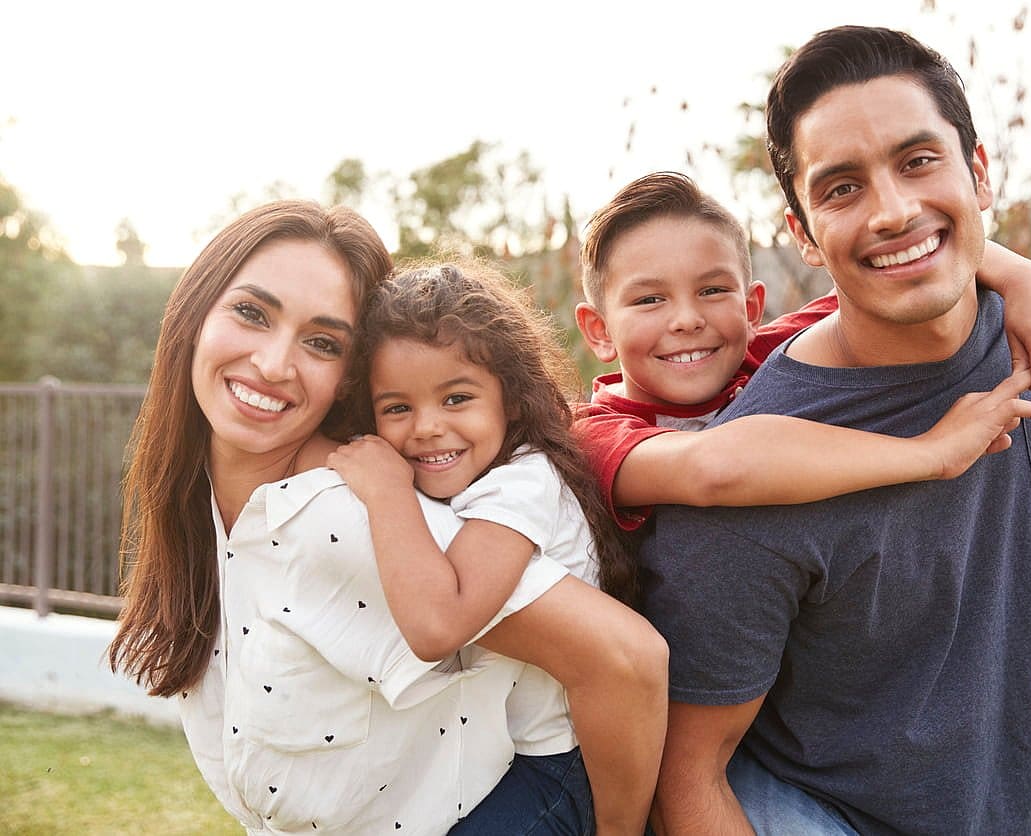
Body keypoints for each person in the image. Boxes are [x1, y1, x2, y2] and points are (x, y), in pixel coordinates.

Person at [636, 27, 1031, 834]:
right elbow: (689, 778)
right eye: (842, 188)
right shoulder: (757, 476)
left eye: (919, 161)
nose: (894, 211)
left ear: (980, 173)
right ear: (803, 234)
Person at [106, 200, 666, 836]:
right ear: (193, 313)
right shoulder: (205, 499)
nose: (273, 364)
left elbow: (625, 660)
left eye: (321, 342)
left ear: (347, 378)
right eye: (251, 313)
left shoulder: (353, 515)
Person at [574, 171, 1031, 532]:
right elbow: (714, 468)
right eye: (649, 299)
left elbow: (900, 271)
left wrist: (1026, 277)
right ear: (598, 332)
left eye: (713, 290)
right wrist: (932, 452)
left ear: (752, 307)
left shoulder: (765, 354)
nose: (687, 319)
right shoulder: (591, 436)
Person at [327, 259, 659, 834]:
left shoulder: (523, 482)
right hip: (501, 756)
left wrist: (386, 492)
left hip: (561, 768)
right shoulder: (476, 480)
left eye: (456, 398)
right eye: (398, 408)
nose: (427, 427)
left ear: (510, 398)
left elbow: (440, 625)